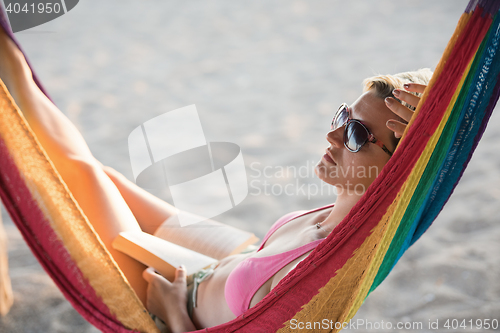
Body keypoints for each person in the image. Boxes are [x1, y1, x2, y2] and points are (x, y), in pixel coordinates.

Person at [0, 24, 432, 332]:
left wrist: (175, 317)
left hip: (182, 296)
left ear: (399, 170)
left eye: (356, 134)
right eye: (343, 115)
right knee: (106, 178)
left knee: (73, 173)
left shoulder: (317, 281)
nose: (332, 134)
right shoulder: (344, 212)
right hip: (233, 260)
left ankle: (9, 65)